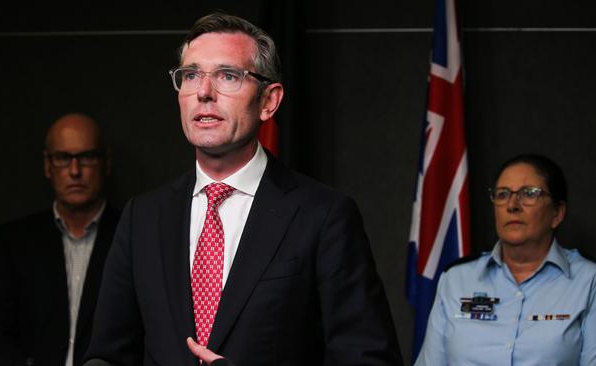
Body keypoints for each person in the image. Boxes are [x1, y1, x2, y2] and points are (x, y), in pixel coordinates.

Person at [84, 13, 403, 366]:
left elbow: (368, 359)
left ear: (269, 101)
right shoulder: (142, 216)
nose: (204, 92)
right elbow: (108, 357)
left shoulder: (324, 216)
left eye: (227, 76)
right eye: (191, 75)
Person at [415, 154, 596, 365]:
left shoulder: (588, 281)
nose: (512, 205)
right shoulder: (456, 280)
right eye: (502, 194)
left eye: (529, 194)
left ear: (557, 213)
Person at [0, 113, 121, 366]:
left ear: (105, 162)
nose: (75, 171)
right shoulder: (13, 242)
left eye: (86, 157)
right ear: (47, 164)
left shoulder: (132, 235)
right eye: (63, 158)